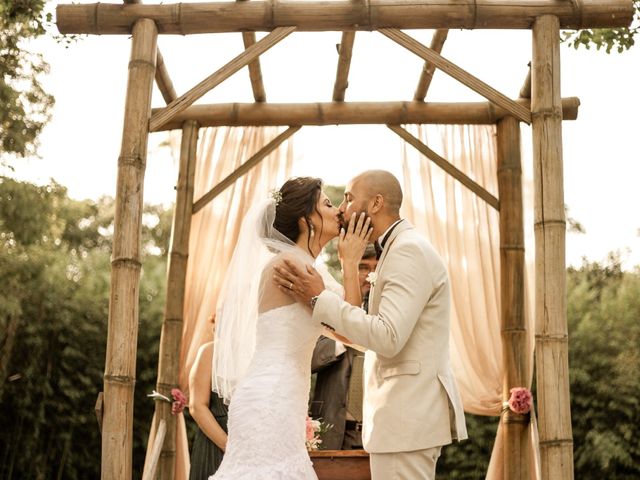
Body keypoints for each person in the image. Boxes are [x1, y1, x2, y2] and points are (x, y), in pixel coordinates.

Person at [273, 170, 468, 480]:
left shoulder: (407, 250)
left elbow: (387, 337)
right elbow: (371, 336)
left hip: (407, 419)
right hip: (402, 422)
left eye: (349, 199)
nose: (342, 208)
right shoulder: (396, 248)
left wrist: (317, 299)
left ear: (376, 203)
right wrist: (345, 270)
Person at [210, 177, 371, 480]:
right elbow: (351, 329)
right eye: (327, 203)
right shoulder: (292, 267)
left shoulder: (308, 269)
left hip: (279, 396)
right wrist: (350, 262)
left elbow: (350, 329)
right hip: (273, 397)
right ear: (306, 219)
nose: (337, 210)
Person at [309, 244, 377, 450]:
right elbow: (308, 357)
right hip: (332, 426)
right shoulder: (331, 305)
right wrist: (348, 335)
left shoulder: (390, 315)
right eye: (363, 267)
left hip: (377, 432)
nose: (369, 275)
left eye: (376, 268)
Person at [188, 315, 228, 479]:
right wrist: (230, 447)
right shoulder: (209, 352)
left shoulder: (256, 353)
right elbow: (197, 406)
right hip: (216, 444)